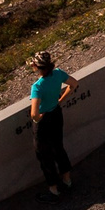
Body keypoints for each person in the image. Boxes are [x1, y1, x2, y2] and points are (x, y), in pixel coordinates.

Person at [28, 50, 77, 199]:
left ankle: (53, 189)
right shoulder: (58, 73)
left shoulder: (37, 87)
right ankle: (67, 180)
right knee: (58, 147)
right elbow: (74, 84)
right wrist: (60, 100)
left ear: (37, 66)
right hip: (56, 114)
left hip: (44, 121)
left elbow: (34, 114)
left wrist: (39, 119)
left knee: (44, 155)